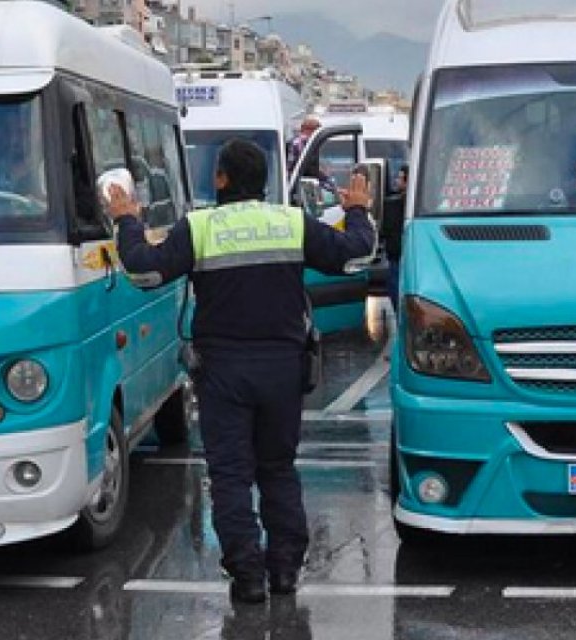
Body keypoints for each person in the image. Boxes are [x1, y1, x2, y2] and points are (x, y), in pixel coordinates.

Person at [105, 139, 375, 604]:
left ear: (221, 179)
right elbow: (353, 255)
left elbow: (145, 271)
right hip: (283, 370)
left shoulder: (200, 226)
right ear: (265, 181)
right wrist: (357, 210)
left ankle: (248, 576)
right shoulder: (290, 221)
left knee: (230, 474)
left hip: (224, 371)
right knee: (277, 468)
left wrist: (127, 219)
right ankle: (286, 570)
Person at [379, 164, 409, 312]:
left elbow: (385, 229)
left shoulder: (393, 204)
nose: (396, 181)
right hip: (406, 256)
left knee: (396, 293)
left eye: (400, 177)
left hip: (396, 257)